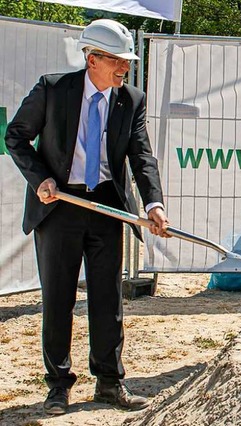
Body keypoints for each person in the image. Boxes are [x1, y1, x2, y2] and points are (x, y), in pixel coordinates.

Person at [5, 19, 170, 415]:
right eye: (117, 61)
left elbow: (142, 157)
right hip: (60, 206)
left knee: (108, 297)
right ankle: (58, 385)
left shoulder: (131, 99)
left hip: (106, 208)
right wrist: (41, 177)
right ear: (92, 58)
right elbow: (16, 137)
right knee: (58, 297)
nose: (124, 69)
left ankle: (110, 383)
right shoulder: (53, 89)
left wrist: (153, 205)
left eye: (127, 62)